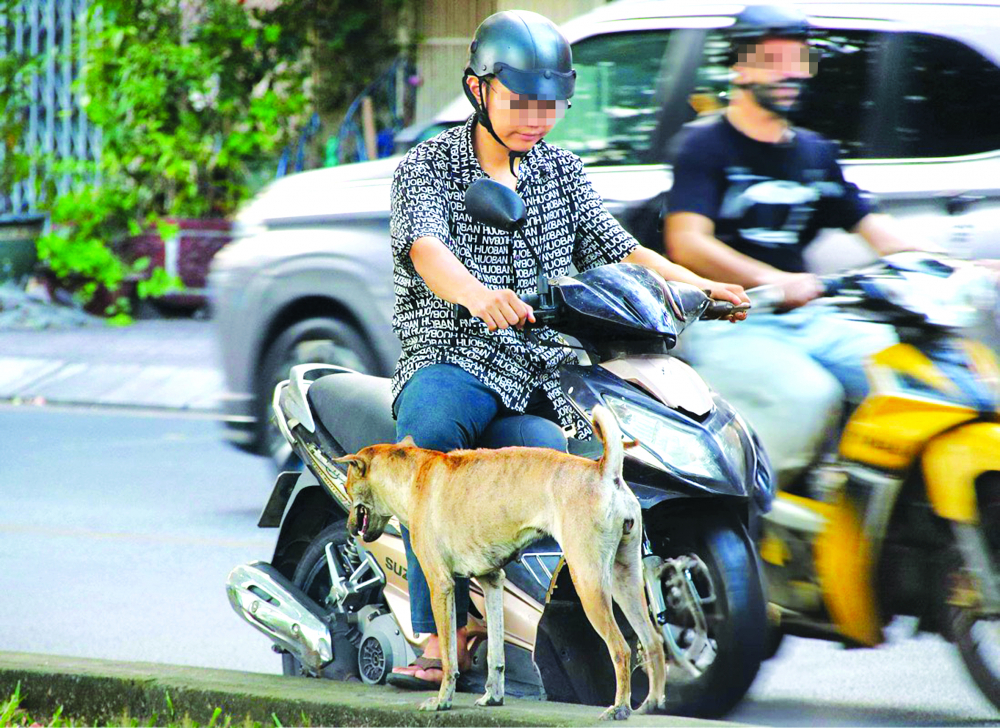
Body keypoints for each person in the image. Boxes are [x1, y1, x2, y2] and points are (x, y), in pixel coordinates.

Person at [387, 9, 748, 690]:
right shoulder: (428, 166)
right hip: (454, 357)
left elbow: (623, 248)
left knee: (582, 475)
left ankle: (558, 638)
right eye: (519, 101)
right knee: (428, 440)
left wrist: (702, 286)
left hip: (543, 372)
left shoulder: (562, 170)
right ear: (477, 89)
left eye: (549, 104)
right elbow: (426, 248)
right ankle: (437, 634)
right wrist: (476, 294)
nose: (535, 117)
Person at [664, 4, 923, 487]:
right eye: (773, 57)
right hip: (733, 321)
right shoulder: (705, 145)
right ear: (740, 66)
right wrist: (776, 281)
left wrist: (945, 268)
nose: (790, 71)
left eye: (799, 58)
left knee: (907, 376)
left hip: (812, 320)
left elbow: (873, 225)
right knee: (810, 395)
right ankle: (750, 519)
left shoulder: (816, 152)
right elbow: (688, 242)